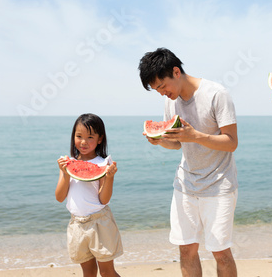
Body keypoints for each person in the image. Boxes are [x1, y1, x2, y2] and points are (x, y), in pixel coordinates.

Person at [138, 48, 238, 277]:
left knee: (221, 253)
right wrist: (160, 141)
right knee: (186, 251)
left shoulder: (216, 94)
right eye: (157, 90)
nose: (162, 93)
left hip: (219, 185)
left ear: (176, 72)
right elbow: (177, 144)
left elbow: (231, 142)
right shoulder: (170, 102)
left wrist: (196, 136)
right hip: (185, 185)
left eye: (162, 86)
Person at [55, 113, 123, 277]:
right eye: (79, 136)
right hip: (76, 224)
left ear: (100, 139)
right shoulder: (68, 162)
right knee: (88, 272)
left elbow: (104, 199)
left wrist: (109, 178)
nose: (83, 142)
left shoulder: (103, 163)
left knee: (107, 272)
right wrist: (65, 174)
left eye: (90, 137)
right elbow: (59, 197)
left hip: (100, 222)